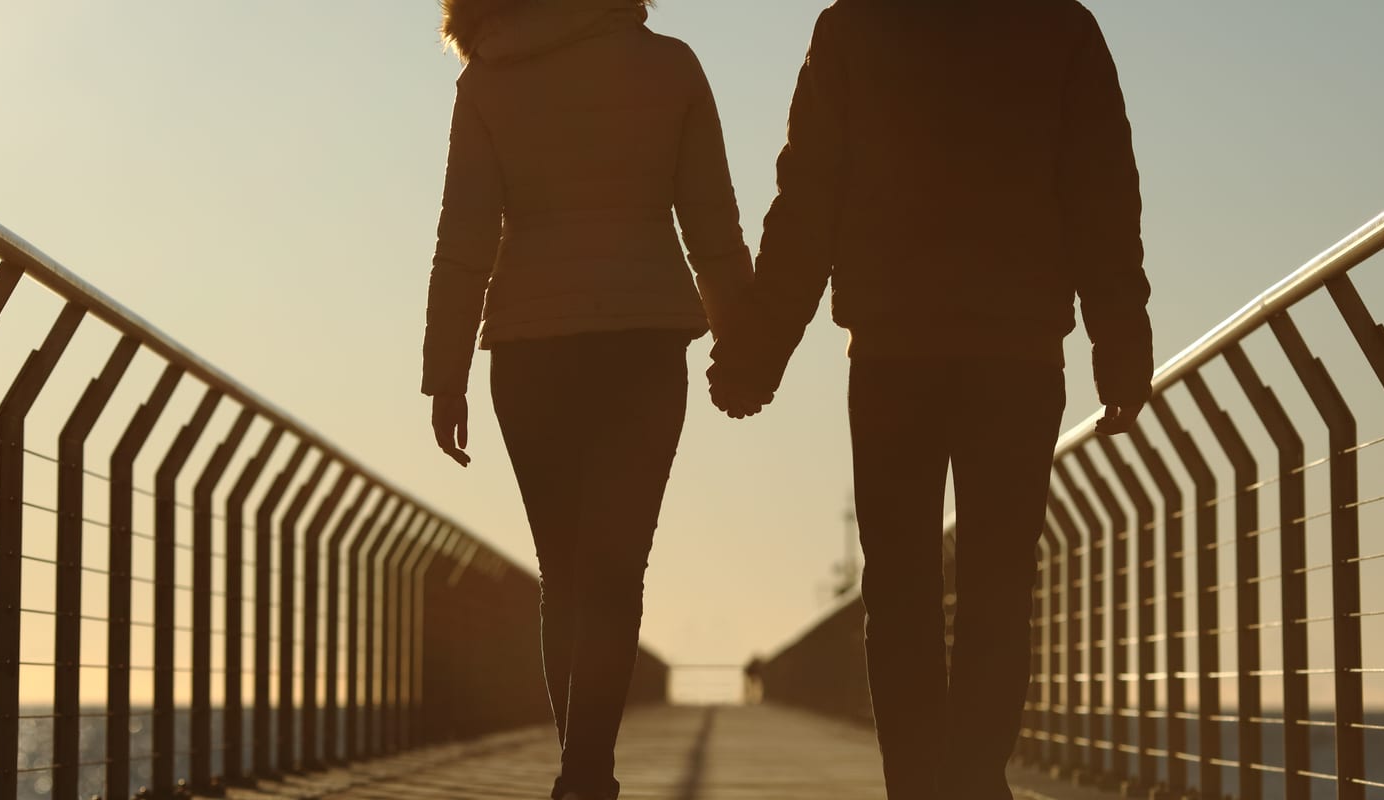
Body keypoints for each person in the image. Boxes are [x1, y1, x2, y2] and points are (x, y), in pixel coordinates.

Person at [709, 1, 1153, 798]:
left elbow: (808, 198)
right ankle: (976, 778)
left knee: (900, 587)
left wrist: (755, 354)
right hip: (1016, 352)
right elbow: (1101, 193)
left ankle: (917, 784)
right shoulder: (1059, 28)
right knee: (997, 582)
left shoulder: (852, 29)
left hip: (892, 350)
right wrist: (1119, 344)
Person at [421, 0, 754, 797]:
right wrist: (745, 349)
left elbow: (462, 242)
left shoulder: (487, 79)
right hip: (641, 340)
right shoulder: (669, 65)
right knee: (615, 569)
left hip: (528, 344)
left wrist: (445, 373)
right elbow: (713, 227)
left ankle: (583, 772)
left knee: (563, 572)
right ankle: (586, 771)